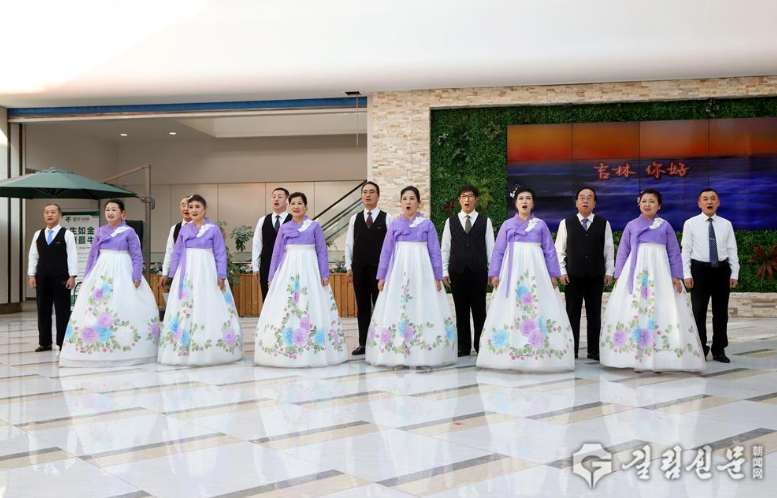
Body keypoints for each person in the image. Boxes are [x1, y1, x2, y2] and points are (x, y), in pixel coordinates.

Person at [600, 189, 705, 372]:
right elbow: (623, 252)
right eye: (644, 201)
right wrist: (619, 276)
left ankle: (662, 356)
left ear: (659, 206)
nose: (647, 204)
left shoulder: (665, 226)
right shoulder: (632, 225)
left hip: (660, 273)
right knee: (635, 308)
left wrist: (676, 275)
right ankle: (633, 356)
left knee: (661, 308)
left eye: (651, 201)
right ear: (639, 204)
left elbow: (674, 252)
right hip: (635, 273)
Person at [477, 186, 574, 372]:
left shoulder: (541, 225)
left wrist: (553, 274)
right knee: (511, 307)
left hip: (536, 272)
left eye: (528, 198)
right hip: (512, 272)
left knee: (537, 306)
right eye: (521, 198)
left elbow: (549, 251)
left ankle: (539, 351)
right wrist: (494, 273)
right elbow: (498, 251)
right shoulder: (507, 225)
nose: (524, 201)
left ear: (533, 203)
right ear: (515, 203)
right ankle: (509, 351)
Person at [59, 199, 159, 367]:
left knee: (123, 304)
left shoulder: (129, 232)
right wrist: (87, 276)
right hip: (101, 269)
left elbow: (137, 255)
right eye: (108, 210)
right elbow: (93, 255)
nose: (110, 213)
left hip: (123, 269)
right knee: (98, 305)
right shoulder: (100, 231)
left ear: (122, 213)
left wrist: (136, 275)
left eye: (114, 209)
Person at [366, 186, 456, 367]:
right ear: (401, 202)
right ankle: (398, 352)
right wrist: (382, 276)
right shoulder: (395, 225)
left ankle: (424, 351)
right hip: (399, 274)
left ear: (418, 202)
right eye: (405, 198)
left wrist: (437, 276)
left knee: (422, 306)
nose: (408, 202)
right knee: (400, 308)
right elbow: (386, 251)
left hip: (423, 273)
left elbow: (435, 251)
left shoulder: (427, 225)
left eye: (412, 198)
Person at [254, 192, 347, 367]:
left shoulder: (314, 226)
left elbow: (321, 250)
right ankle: (287, 347)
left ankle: (313, 347)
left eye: (299, 203)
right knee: (288, 305)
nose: (296, 206)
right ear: (289, 207)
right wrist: (272, 275)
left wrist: (324, 273)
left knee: (310, 303)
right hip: (288, 270)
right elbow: (276, 253)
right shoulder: (284, 228)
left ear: (306, 206)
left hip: (310, 271)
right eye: (293, 203)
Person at [158, 195, 243, 366]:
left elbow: (220, 253)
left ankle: (210, 346)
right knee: (186, 306)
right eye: (191, 207)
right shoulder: (184, 230)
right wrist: (173, 275)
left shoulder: (213, 229)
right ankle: (184, 346)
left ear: (205, 209)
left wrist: (221, 275)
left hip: (207, 271)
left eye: (197, 206)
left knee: (208, 303)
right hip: (187, 272)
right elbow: (177, 252)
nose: (193, 210)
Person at [554, 187, 614, 361]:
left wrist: (609, 271)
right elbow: (560, 250)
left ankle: (594, 351)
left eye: (589, 198)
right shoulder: (566, 223)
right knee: (572, 313)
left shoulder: (604, 223)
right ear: (576, 202)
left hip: (596, 275)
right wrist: (562, 271)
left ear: (594, 203)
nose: (585, 200)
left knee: (594, 313)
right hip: (573, 276)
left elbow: (609, 250)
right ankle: (571, 350)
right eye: (581, 197)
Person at [682, 188, 739, 363]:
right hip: (699, 271)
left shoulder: (726, 224)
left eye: (713, 198)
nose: (709, 201)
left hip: (722, 271)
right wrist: (687, 274)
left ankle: (719, 349)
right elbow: (686, 250)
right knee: (698, 312)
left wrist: (734, 273)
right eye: (705, 199)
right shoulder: (690, 223)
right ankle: (700, 348)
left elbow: (732, 249)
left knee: (721, 313)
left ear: (718, 202)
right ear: (699, 203)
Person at [441, 185, 494, 357]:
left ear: (475, 199)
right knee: (460, 310)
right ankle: (463, 346)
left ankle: (481, 345)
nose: (467, 199)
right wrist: (444, 271)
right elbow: (445, 248)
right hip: (457, 272)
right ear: (459, 200)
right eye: (463, 196)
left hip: (479, 272)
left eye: (470, 196)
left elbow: (491, 248)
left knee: (479, 310)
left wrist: (492, 272)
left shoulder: (485, 221)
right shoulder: (450, 221)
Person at [345, 181, 393, 356]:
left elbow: (392, 247)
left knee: (381, 306)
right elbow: (349, 244)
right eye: (365, 192)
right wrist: (348, 266)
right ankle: (363, 343)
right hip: (359, 269)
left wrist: (388, 270)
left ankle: (381, 342)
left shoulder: (387, 218)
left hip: (379, 271)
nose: (368, 195)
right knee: (363, 307)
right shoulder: (354, 219)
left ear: (378, 196)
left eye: (372, 192)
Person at [28, 203, 78, 352]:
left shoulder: (67, 234)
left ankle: (63, 342)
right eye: (46, 212)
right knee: (42, 309)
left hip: (61, 278)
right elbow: (33, 256)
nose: (49, 215)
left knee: (62, 310)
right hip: (42, 277)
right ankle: (45, 342)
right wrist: (31, 275)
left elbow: (72, 256)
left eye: (53, 212)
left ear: (60, 215)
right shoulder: (38, 234)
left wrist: (72, 276)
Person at [252, 187, 291, 300]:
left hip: (287, 264)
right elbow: (257, 243)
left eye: (280, 197)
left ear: (287, 201)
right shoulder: (263, 220)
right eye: (273, 197)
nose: (276, 199)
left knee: (286, 296)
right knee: (267, 296)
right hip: (266, 264)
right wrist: (255, 267)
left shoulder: (293, 220)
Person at [160, 195, 192, 281]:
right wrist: (165, 273)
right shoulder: (174, 228)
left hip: (195, 269)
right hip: (179, 270)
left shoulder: (201, 227)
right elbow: (170, 251)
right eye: (183, 205)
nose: (186, 208)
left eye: (189, 205)